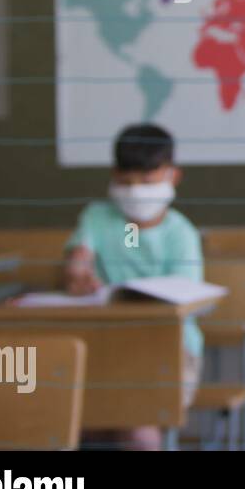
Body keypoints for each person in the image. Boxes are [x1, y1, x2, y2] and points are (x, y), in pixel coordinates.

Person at [64, 123, 204, 450]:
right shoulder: (96, 218)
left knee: (137, 427)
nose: (136, 190)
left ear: (173, 175)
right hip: (99, 347)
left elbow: (185, 296)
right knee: (59, 415)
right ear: (113, 176)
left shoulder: (181, 234)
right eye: (126, 182)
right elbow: (79, 257)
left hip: (169, 350)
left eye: (147, 181)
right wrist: (77, 271)